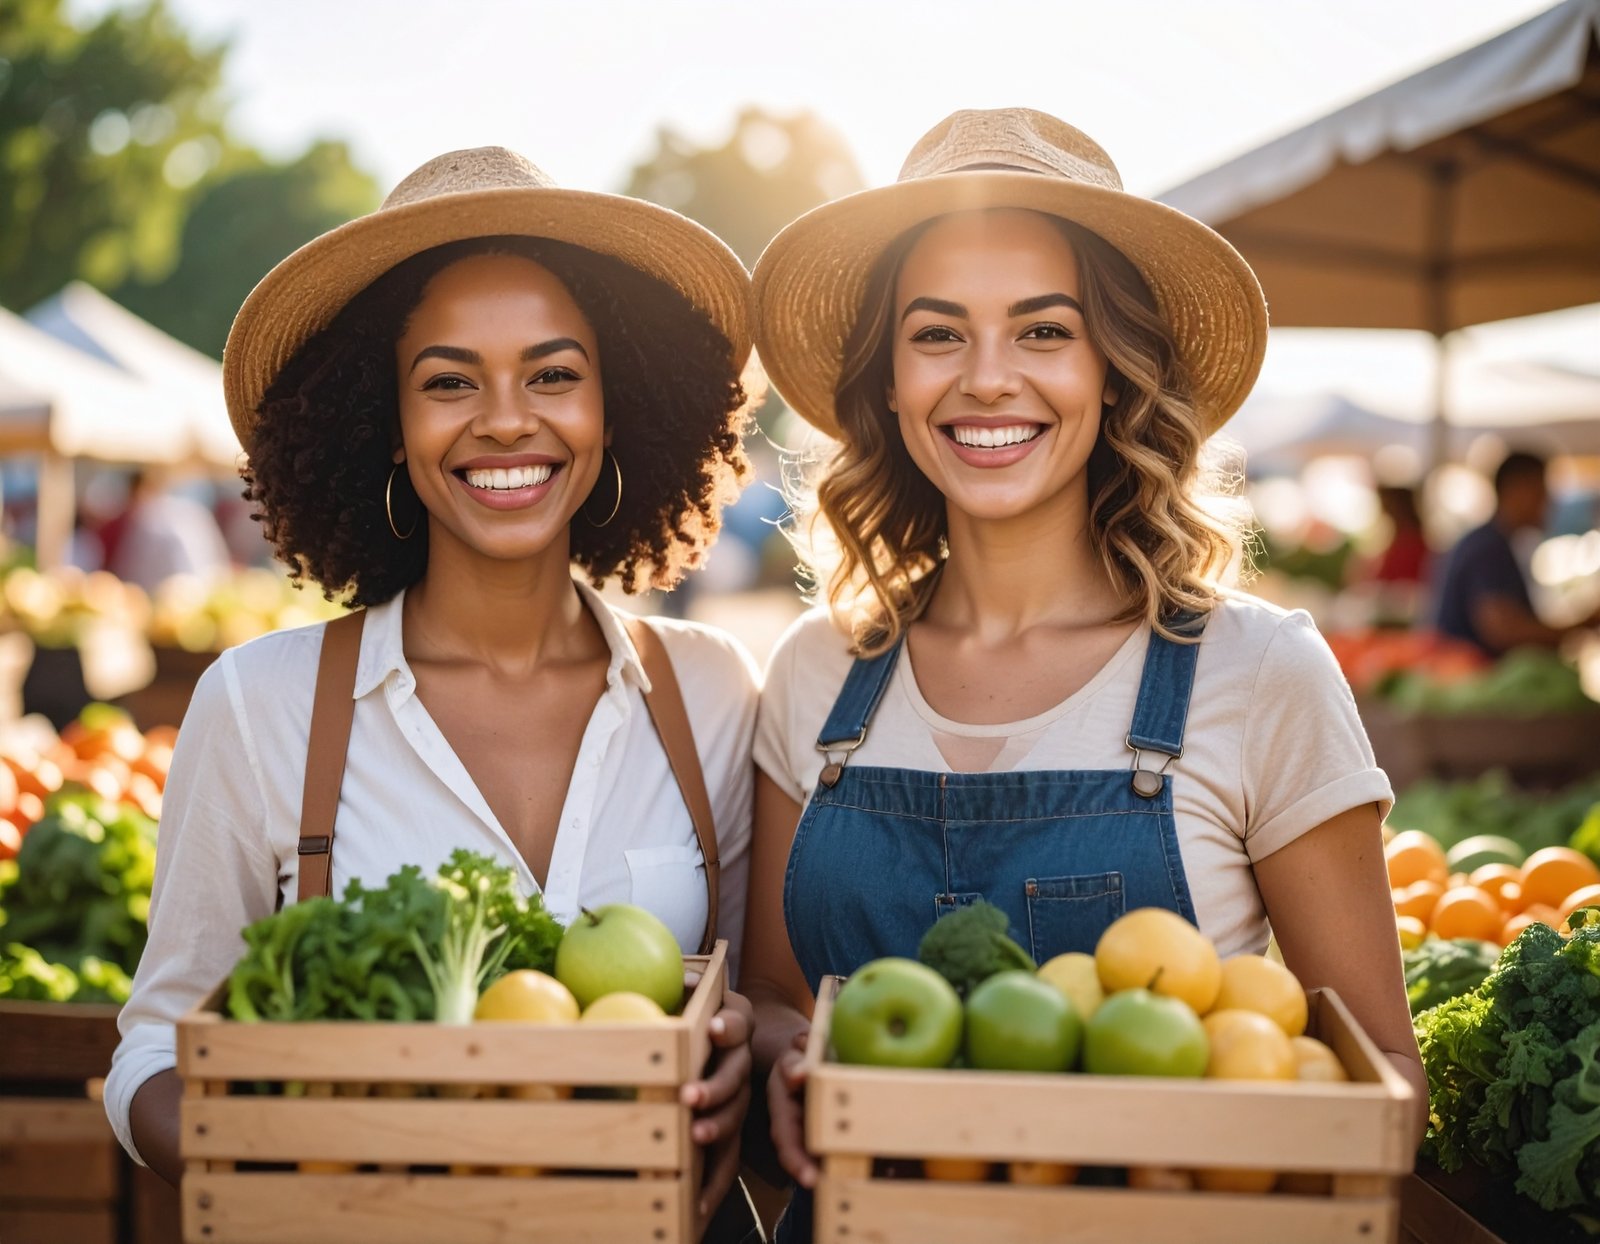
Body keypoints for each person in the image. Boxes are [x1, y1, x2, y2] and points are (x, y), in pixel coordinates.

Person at [738, 109, 1427, 1236]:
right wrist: (783, 1059)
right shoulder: (817, 673)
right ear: (891, 378)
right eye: (938, 333)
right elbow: (773, 994)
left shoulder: (1255, 673)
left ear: (1115, 371)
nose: (988, 378)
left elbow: (1387, 1078)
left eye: (1044, 331)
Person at [106, 146, 762, 1234]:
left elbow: (738, 1004)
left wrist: (734, 1063)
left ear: (619, 409)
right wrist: (294, 1177)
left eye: (553, 373)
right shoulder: (259, 705)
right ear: (385, 423)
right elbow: (151, 1049)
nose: (506, 420)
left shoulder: (710, 692)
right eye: (448, 380)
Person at [1434, 450, 1600, 655]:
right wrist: (1579, 627)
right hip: (1469, 675)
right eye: (1541, 490)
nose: (1548, 501)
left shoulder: (1496, 543)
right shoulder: (1487, 548)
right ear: (1517, 489)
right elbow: (1503, 631)